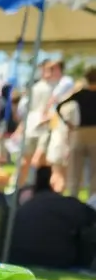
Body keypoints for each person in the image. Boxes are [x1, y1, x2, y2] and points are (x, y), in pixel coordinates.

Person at [58, 67, 96, 197]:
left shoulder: (81, 94)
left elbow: (59, 106)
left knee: (75, 171)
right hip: (93, 134)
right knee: (94, 173)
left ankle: (73, 197)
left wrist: (68, 123)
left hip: (79, 133)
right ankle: (93, 200)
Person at [44, 59, 75, 192]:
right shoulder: (59, 84)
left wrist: (45, 113)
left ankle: (56, 198)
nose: (48, 73)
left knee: (59, 171)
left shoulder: (65, 82)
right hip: (58, 130)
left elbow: (52, 102)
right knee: (58, 171)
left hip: (61, 131)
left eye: (52, 69)